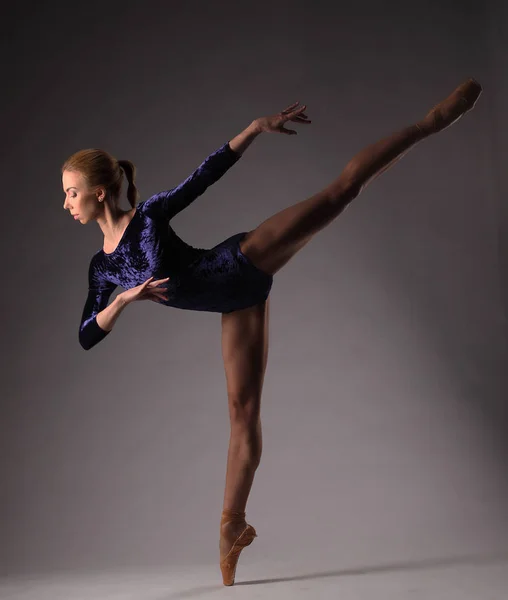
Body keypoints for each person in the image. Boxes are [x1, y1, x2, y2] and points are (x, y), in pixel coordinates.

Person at [62, 78, 482, 586]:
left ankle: (430, 122)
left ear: (98, 192)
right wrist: (124, 301)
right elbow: (87, 334)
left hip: (241, 260)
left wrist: (255, 128)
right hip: (238, 304)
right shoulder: (101, 270)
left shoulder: (147, 217)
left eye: (71, 192)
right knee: (242, 414)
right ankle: (232, 525)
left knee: (339, 193)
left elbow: (203, 176)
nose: (66, 203)